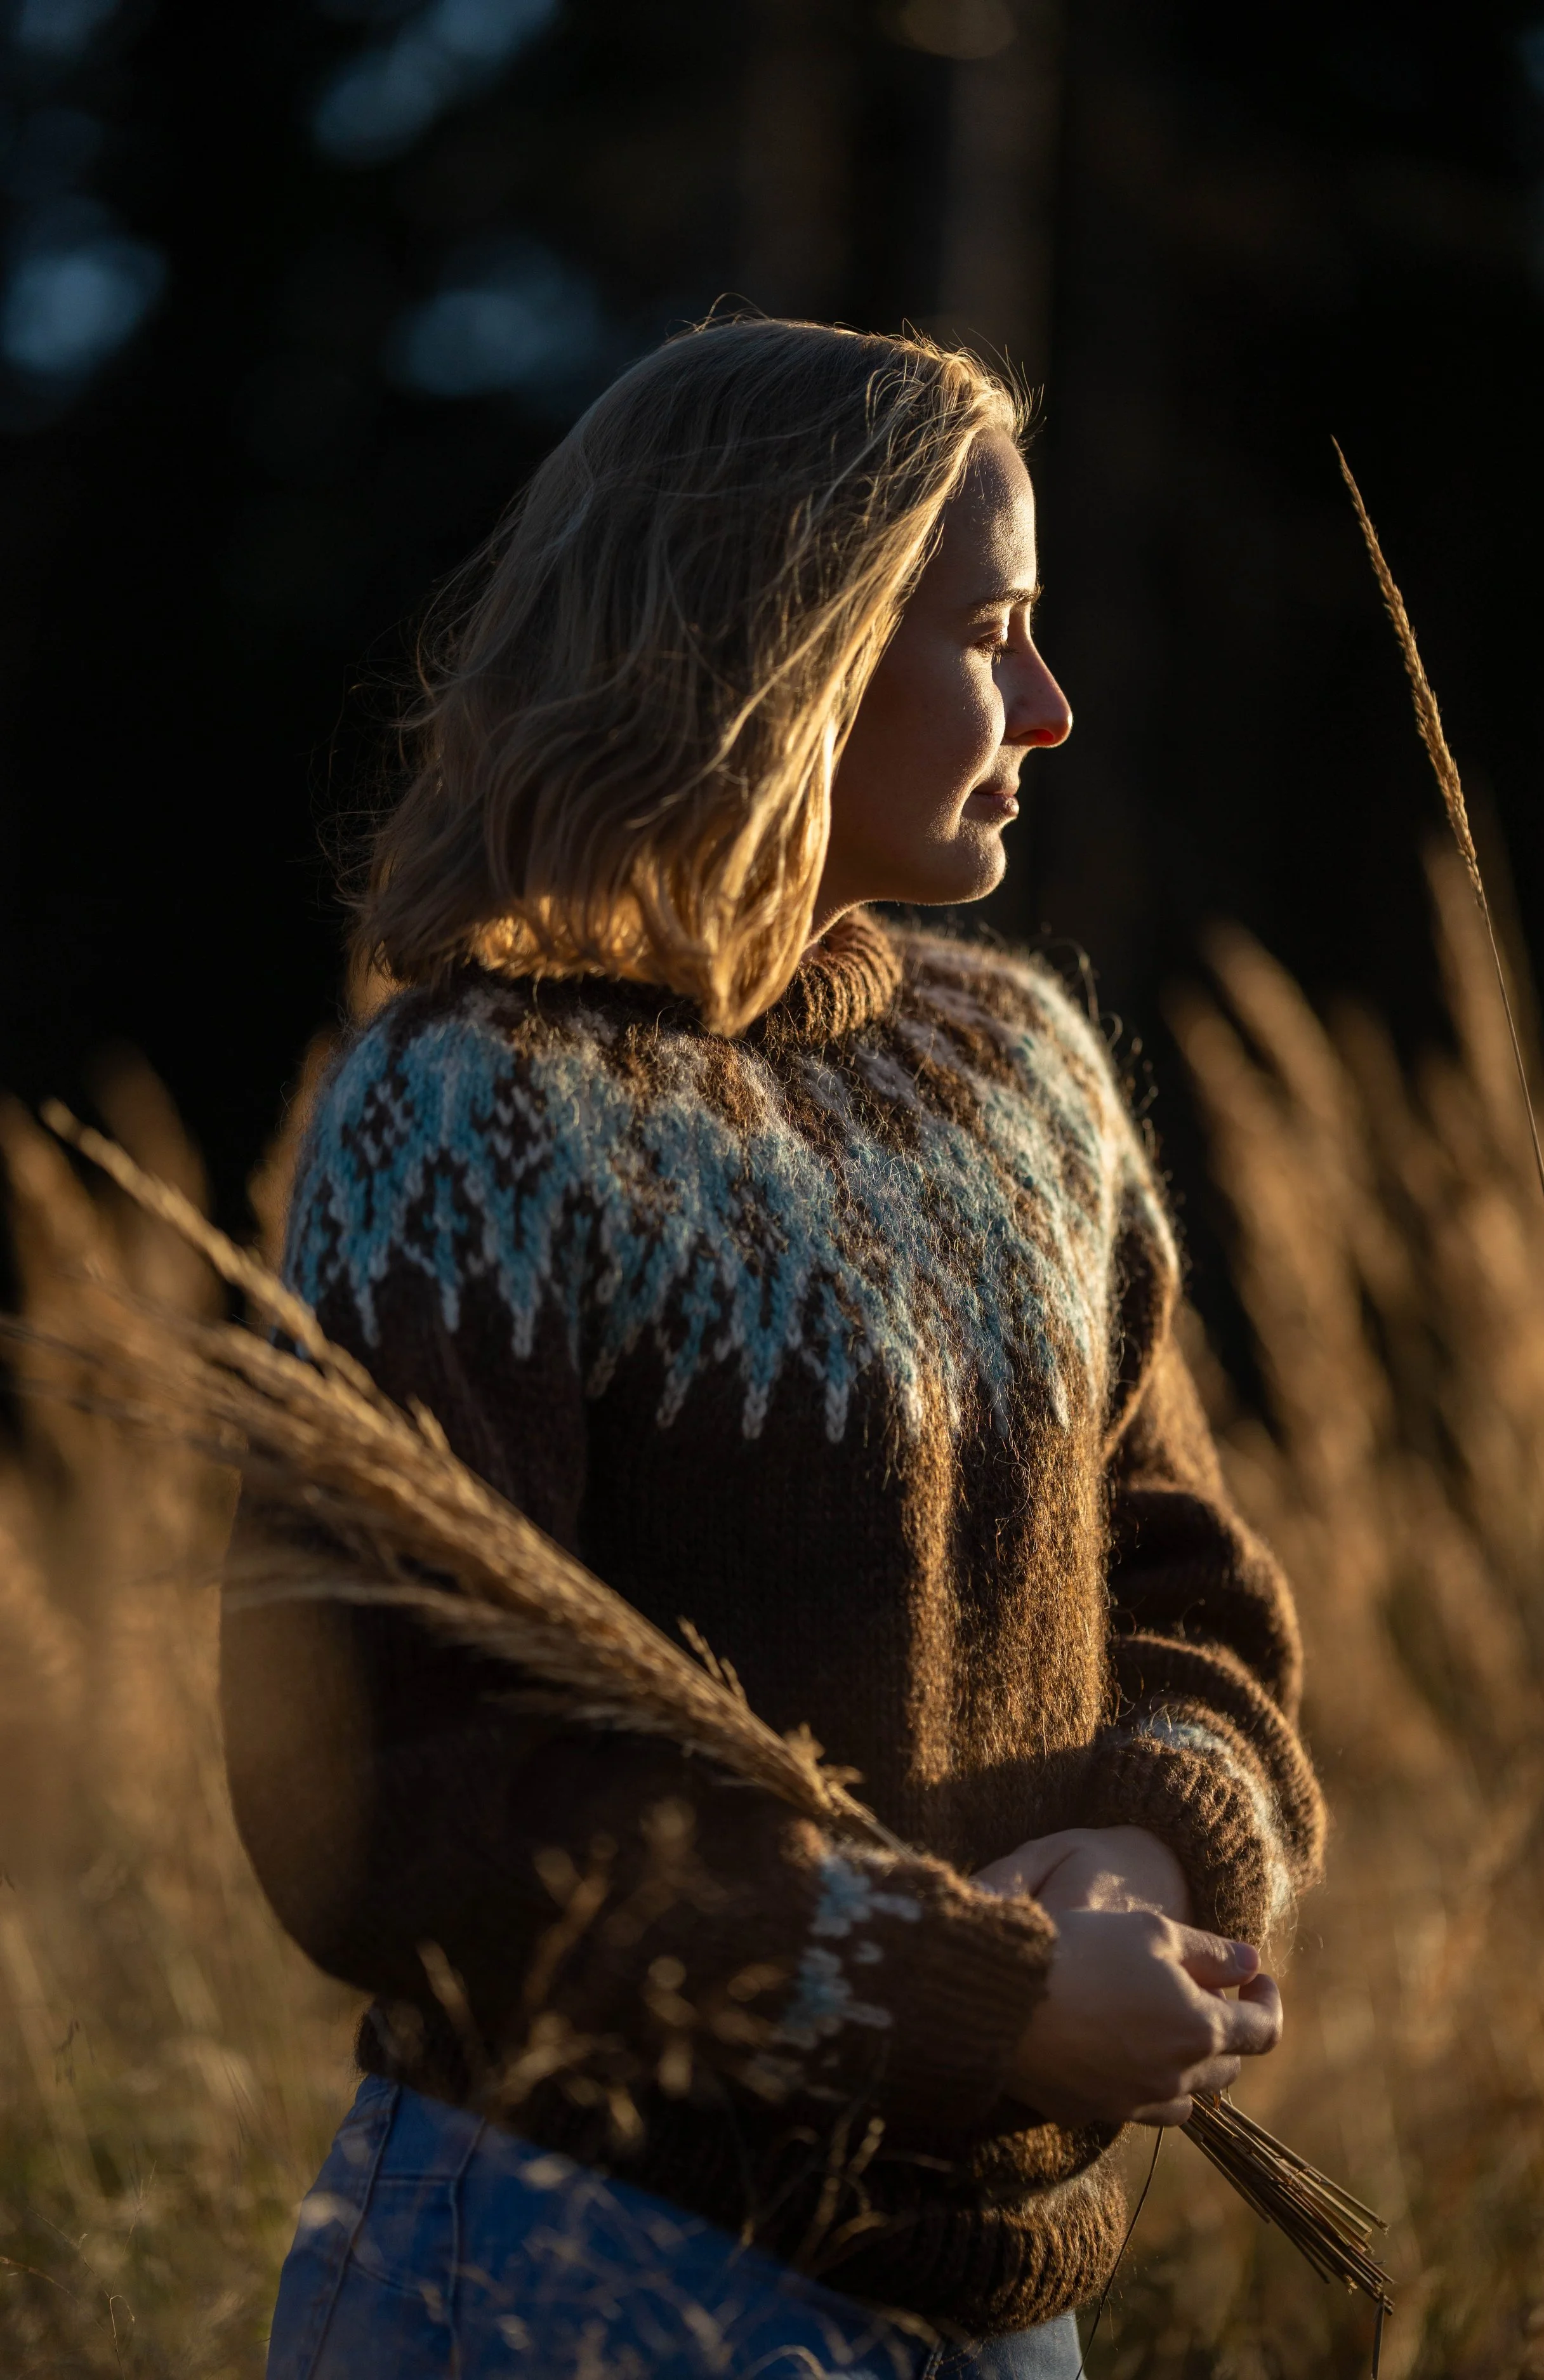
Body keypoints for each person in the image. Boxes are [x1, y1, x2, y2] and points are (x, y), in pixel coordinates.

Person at [234, 318, 1324, 2380]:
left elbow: (1187, 1586)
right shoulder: (476, 1110)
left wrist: (1156, 1832)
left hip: (1007, 2281)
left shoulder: (1021, 1075)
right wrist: (977, 1994)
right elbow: (389, 1783)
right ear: (782, 645)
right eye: (987, 630)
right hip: (577, 2263)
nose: (1050, 705)